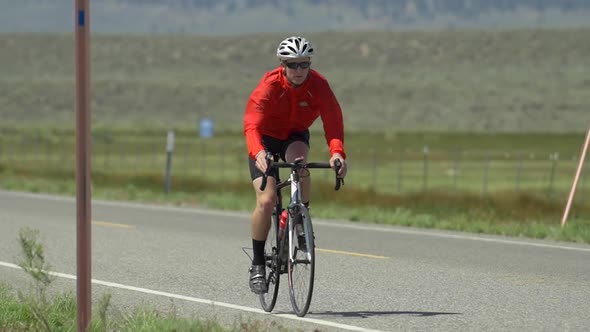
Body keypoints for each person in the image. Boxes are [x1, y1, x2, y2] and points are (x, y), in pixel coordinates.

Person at [243, 36, 348, 294]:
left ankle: (300, 217)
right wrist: (258, 152)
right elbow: (252, 124)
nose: (299, 71)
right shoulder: (269, 85)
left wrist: (337, 153)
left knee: (301, 165)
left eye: (304, 64)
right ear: (283, 65)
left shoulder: (319, 85)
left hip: (295, 135)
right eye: (293, 65)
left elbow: (333, 121)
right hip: (265, 140)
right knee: (267, 201)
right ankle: (257, 263)